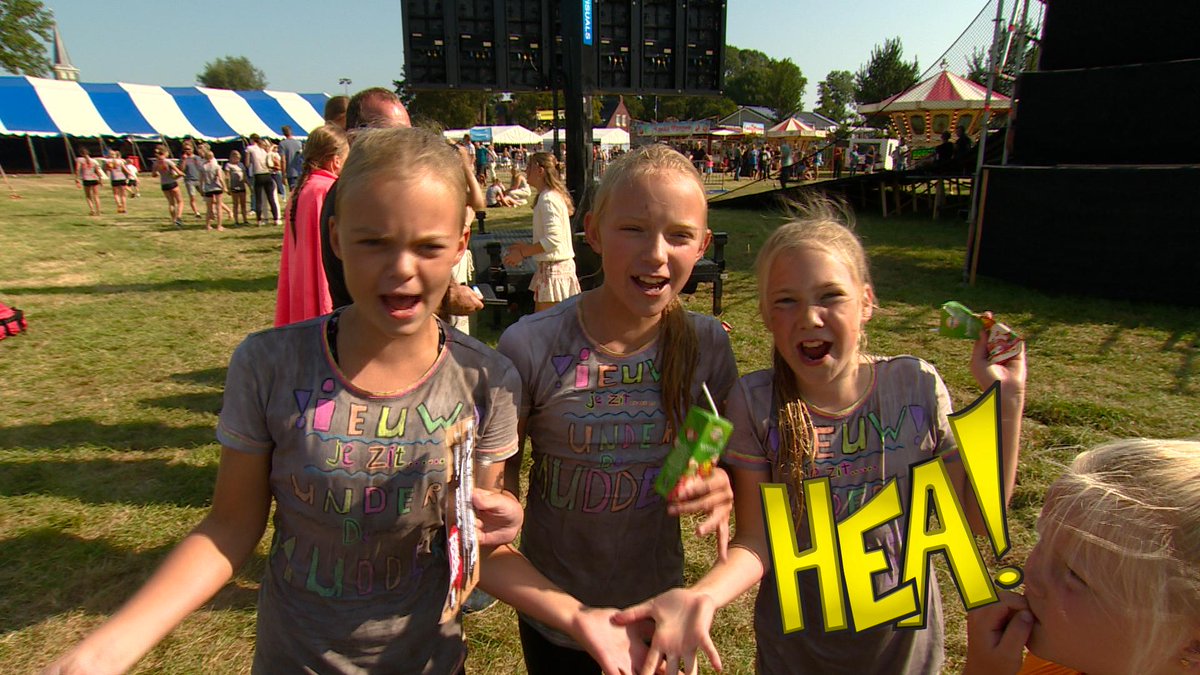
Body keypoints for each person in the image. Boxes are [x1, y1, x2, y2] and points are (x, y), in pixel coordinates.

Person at [43, 126, 526, 674]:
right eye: (374, 242)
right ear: (337, 237)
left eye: (428, 246)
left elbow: (480, 538)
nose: (401, 268)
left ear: (460, 244)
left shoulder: (487, 380)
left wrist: (507, 520)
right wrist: (111, 646)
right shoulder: (268, 365)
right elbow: (228, 527)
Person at [613, 197, 1027, 675]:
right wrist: (702, 595)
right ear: (768, 317)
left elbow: (977, 516)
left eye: (830, 296)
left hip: (905, 659)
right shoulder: (755, 403)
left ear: (867, 302)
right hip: (797, 658)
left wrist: (1008, 401)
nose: (809, 317)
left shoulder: (915, 386)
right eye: (786, 301)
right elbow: (755, 542)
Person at [483, 144, 740, 675]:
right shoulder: (530, 345)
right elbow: (494, 504)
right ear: (594, 231)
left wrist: (711, 476)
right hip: (555, 616)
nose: (656, 253)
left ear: (703, 245)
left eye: (679, 235)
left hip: (657, 613)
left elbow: (700, 455)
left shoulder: (706, 344)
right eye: (634, 229)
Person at [965, 438, 1199, 675]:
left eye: (1074, 574)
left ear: (1194, 648)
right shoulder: (1062, 664)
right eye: (1042, 542)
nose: (1031, 573)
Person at [274, 124, 349, 327]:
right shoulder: (326, 190)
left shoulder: (303, 189)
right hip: (324, 287)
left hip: (303, 285)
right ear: (336, 162)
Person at [502, 152, 581, 312]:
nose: (525, 171)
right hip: (552, 272)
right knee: (552, 329)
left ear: (540, 170)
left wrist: (523, 252)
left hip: (555, 273)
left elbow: (553, 240)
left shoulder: (548, 199)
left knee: (549, 331)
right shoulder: (549, 197)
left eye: (529, 166)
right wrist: (525, 247)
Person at [246, 134, 279, 226]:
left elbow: (247, 164)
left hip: (258, 174)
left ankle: (259, 220)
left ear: (252, 140)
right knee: (271, 198)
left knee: (259, 199)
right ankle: (276, 218)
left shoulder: (250, 148)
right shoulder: (264, 150)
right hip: (267, 174)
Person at [151, 145, 184, 228]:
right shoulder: (168, 162)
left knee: (171, 203)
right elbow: (179, 173)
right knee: (180, 201)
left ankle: (173, 220)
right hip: (172, 183)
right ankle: (179, 218)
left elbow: (153, 175)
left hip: (164, 184)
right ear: (165, 153)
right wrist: (180, 176)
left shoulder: (156, 163)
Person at [198, 148, 227, 231]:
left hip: (207, 188)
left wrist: (201, 189)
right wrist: (224, 186)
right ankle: (219, 226)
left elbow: (201, 180)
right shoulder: (217, 166)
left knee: (209, 208)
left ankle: (208, 225)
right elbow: (220, 178)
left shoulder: (203, 167)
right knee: (218, 207)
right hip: (217, 187)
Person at [74, 147, 104, 217]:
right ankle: (98, 211)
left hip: (86, 179)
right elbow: (98, 172)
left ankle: (92, 210)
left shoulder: (79, 160)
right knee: (96, 196)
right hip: (94, 179)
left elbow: (77, 170)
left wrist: (77, 179)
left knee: (88, 196)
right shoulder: (94, 161)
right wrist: (100, 180)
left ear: (81, 153)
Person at [178, 140, 204, 218]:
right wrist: (184, 160)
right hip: (189, 180)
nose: (187, 151)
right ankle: (196, 213)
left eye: (189, 149)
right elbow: (181, 170)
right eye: (185, 149)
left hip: (199, 179)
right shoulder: (183, 158)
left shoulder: (197, 158)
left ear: (192, 149)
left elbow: (201, 168)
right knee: (192, 197)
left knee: (206, 195)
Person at [224, 150, 249, 226]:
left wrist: (249, 185)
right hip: (234, 186)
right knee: (236, 204)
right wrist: (227, 187)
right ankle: (236, 221)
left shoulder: (241, 165)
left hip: (242, 186)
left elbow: (244, 176)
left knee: (243, 204)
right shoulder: (228, 165)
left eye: (238, 158)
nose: (237, 160)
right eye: (236, 158)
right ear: (232, 157)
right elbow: (227, 177)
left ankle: (245, 220)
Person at [278, 125, 304, 191]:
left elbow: (283, 160)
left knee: (293, 194)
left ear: (283, 133)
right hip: (300, 171)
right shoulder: (299, 143)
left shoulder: (282, 144)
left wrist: (283, 175)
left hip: (290, 172)